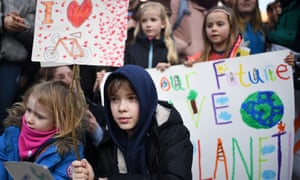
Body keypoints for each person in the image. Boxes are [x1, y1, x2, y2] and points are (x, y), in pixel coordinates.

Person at [72, 64, 193, 180]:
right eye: (114, 99)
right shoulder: (108, 142)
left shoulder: (172, 133)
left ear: (145, 98)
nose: (122, 108)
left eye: (132, 98)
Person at [0, 80, 86, 179]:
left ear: (60, 122)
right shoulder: (12, 134)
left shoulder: (68, 149)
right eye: (28, 110)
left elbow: (63, 176)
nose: (29, 119)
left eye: (39, 117)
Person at [34, 65, 106, 170]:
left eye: (71, 76)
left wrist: (96, 131)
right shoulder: (36, 113)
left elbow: (108, 156)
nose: (69, 81)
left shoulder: (96, 112)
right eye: (61, 78)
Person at [0, 0, 40, 129]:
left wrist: (21, 27)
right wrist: (3, 22)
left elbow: (42, 32)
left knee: (4, 115)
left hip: (12, 63)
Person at [125, 1, 179, 71]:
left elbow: (177, 74)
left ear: (163, 24)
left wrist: (167, 68)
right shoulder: (132, 49)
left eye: (153, 20)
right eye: (144, 21)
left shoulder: (168, 47)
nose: (148, 24)